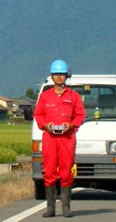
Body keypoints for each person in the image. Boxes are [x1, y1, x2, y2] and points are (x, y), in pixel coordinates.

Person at [34, 59, 85, 218]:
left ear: (66, 76)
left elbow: (80, 115)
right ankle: (50, 208)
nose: (59, 78)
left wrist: (71, 125)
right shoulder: (45, 96)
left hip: (67, 139)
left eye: (62, 74)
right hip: (49, 138)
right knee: (49, 171)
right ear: (51, 76)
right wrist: (45, 125)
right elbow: (38, 114)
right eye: (56, 74)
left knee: (66, 171)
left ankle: (66, 207)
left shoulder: (74, 96)